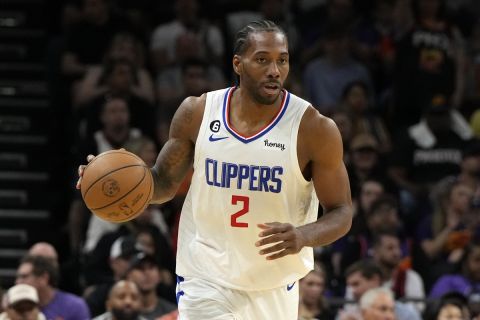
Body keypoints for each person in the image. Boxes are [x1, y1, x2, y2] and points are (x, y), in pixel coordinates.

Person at [78, 20, 353, 319]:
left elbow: (341, 212)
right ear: (238, 63)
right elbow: (162, 184)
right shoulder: (197, 112)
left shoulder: (314, 129)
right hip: (205, 276)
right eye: (262, 59)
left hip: (273, 283)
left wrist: (303, 235)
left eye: (282, 60)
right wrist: (111, 182)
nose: (275, 70)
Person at [15, 255, 90, 320]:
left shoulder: (75, 306)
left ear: (44, 278)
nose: (18, 282)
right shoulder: (14, 307)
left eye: (24, 277)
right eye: (18, 277)